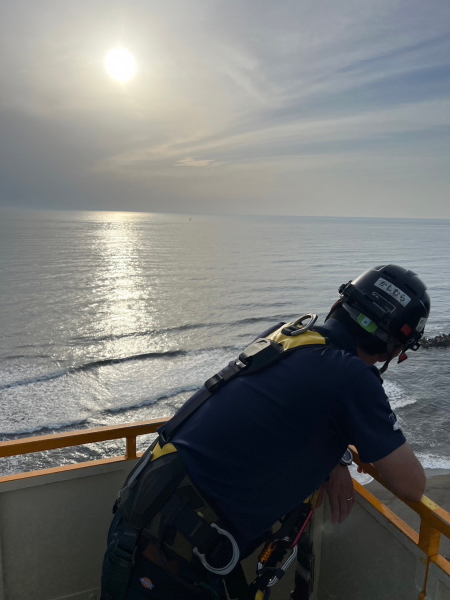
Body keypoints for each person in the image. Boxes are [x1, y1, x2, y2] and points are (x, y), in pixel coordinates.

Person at [101, 264, 430, 600]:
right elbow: (412, 485)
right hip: (171, 556)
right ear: (393, 351)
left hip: (141, 516)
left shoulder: (288, 334)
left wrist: (335, 459)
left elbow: (275, 407)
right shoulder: (353, 378)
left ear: (338, 304)